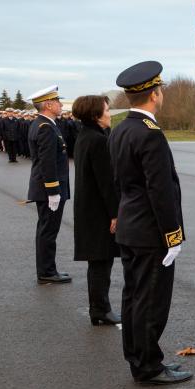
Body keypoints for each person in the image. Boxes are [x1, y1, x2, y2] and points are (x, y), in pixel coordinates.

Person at [109, 61, 191, 385]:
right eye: (161, 90)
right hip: (150, 232)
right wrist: (173, 236)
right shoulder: (150, 134)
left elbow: (120, 182)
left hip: (131, 226)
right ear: (155, 94)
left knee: (133, 298)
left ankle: (137, 356)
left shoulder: (120, 130)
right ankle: (148, 366)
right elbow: (161, 192)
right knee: (151, 301)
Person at [72, 95, 121, 326]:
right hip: (98, 211)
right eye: (107, 110)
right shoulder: (97, 140)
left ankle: (99, 308)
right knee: (102, 261)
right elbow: (106, 182)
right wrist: (115, 213)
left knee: (99, 262)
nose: (110, 114)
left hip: (89, 209)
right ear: (95, 115)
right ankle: (100, 309)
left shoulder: (87, 135)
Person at [25, 86, 72, 285]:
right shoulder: (45, 127)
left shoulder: (44, 124)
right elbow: (47, 163)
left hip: (45, 188)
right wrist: (53, 191)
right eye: (58, 101)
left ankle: (47, 269)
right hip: (48, 190)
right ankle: (46, 272)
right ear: (48, 104)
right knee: (48, 231)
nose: (61, 105)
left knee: (46, 230)